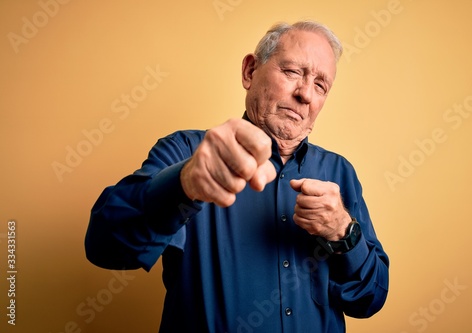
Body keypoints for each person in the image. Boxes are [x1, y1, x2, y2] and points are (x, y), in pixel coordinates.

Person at [85, 20, 389, 333]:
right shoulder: (186, 151)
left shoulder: (340, 174)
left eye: (320, 86)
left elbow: (369, 300)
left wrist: (343, 232)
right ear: (249, 71)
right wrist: (185, 183)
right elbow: (104, 246)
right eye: (292, 72)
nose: (305, 94)